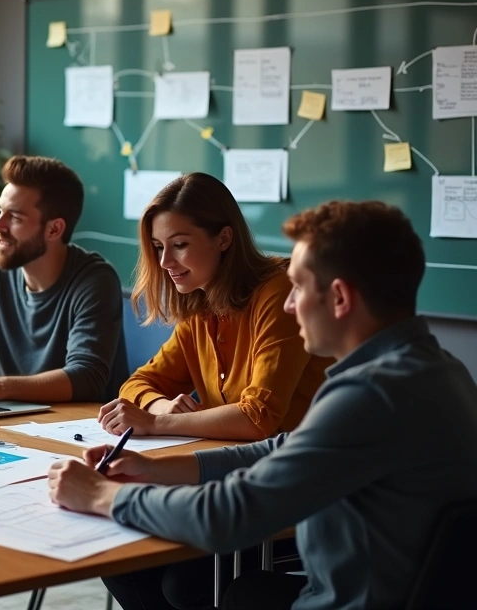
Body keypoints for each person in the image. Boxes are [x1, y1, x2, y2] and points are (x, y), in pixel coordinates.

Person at [49, 200, 477, 610]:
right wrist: (159, 471)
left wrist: (102, 495)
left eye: (299, 288)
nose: (290, 304)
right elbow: (283, 447)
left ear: (341, 298)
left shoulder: (369, 395)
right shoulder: (438, 370)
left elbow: (226, 516)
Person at [98, 173, 331, 441]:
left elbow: (258, 418)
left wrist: (156, 422)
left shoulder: (281, 294)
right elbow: (135, 384)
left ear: (223, 239)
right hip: (231, 459)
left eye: (179, 245)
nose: (164, 262)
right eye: (159, 247)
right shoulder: (199, 304)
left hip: (298, 464)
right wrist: (161, 408)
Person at [0, 155, 128, 403]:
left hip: (86, 428)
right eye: (0, 211)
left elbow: (86, 377)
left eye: (14, 217)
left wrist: (0, 387)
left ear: (53, 229)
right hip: (23, 422)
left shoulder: (94, 281)